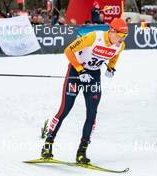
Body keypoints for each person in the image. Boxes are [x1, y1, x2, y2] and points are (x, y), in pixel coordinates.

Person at [41, 18, 128, 164]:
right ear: (112, 31)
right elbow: (68, 50)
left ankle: (82, 151)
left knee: (92, 114)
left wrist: (111, 67)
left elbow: (115, 55)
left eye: (125, 36)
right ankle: (47, 145)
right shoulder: (94, 37)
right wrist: (81, 70)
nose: (122, 39)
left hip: (93, 76)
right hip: (76, 71)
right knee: (65, 110)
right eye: (121, 35)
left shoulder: (120, 45)